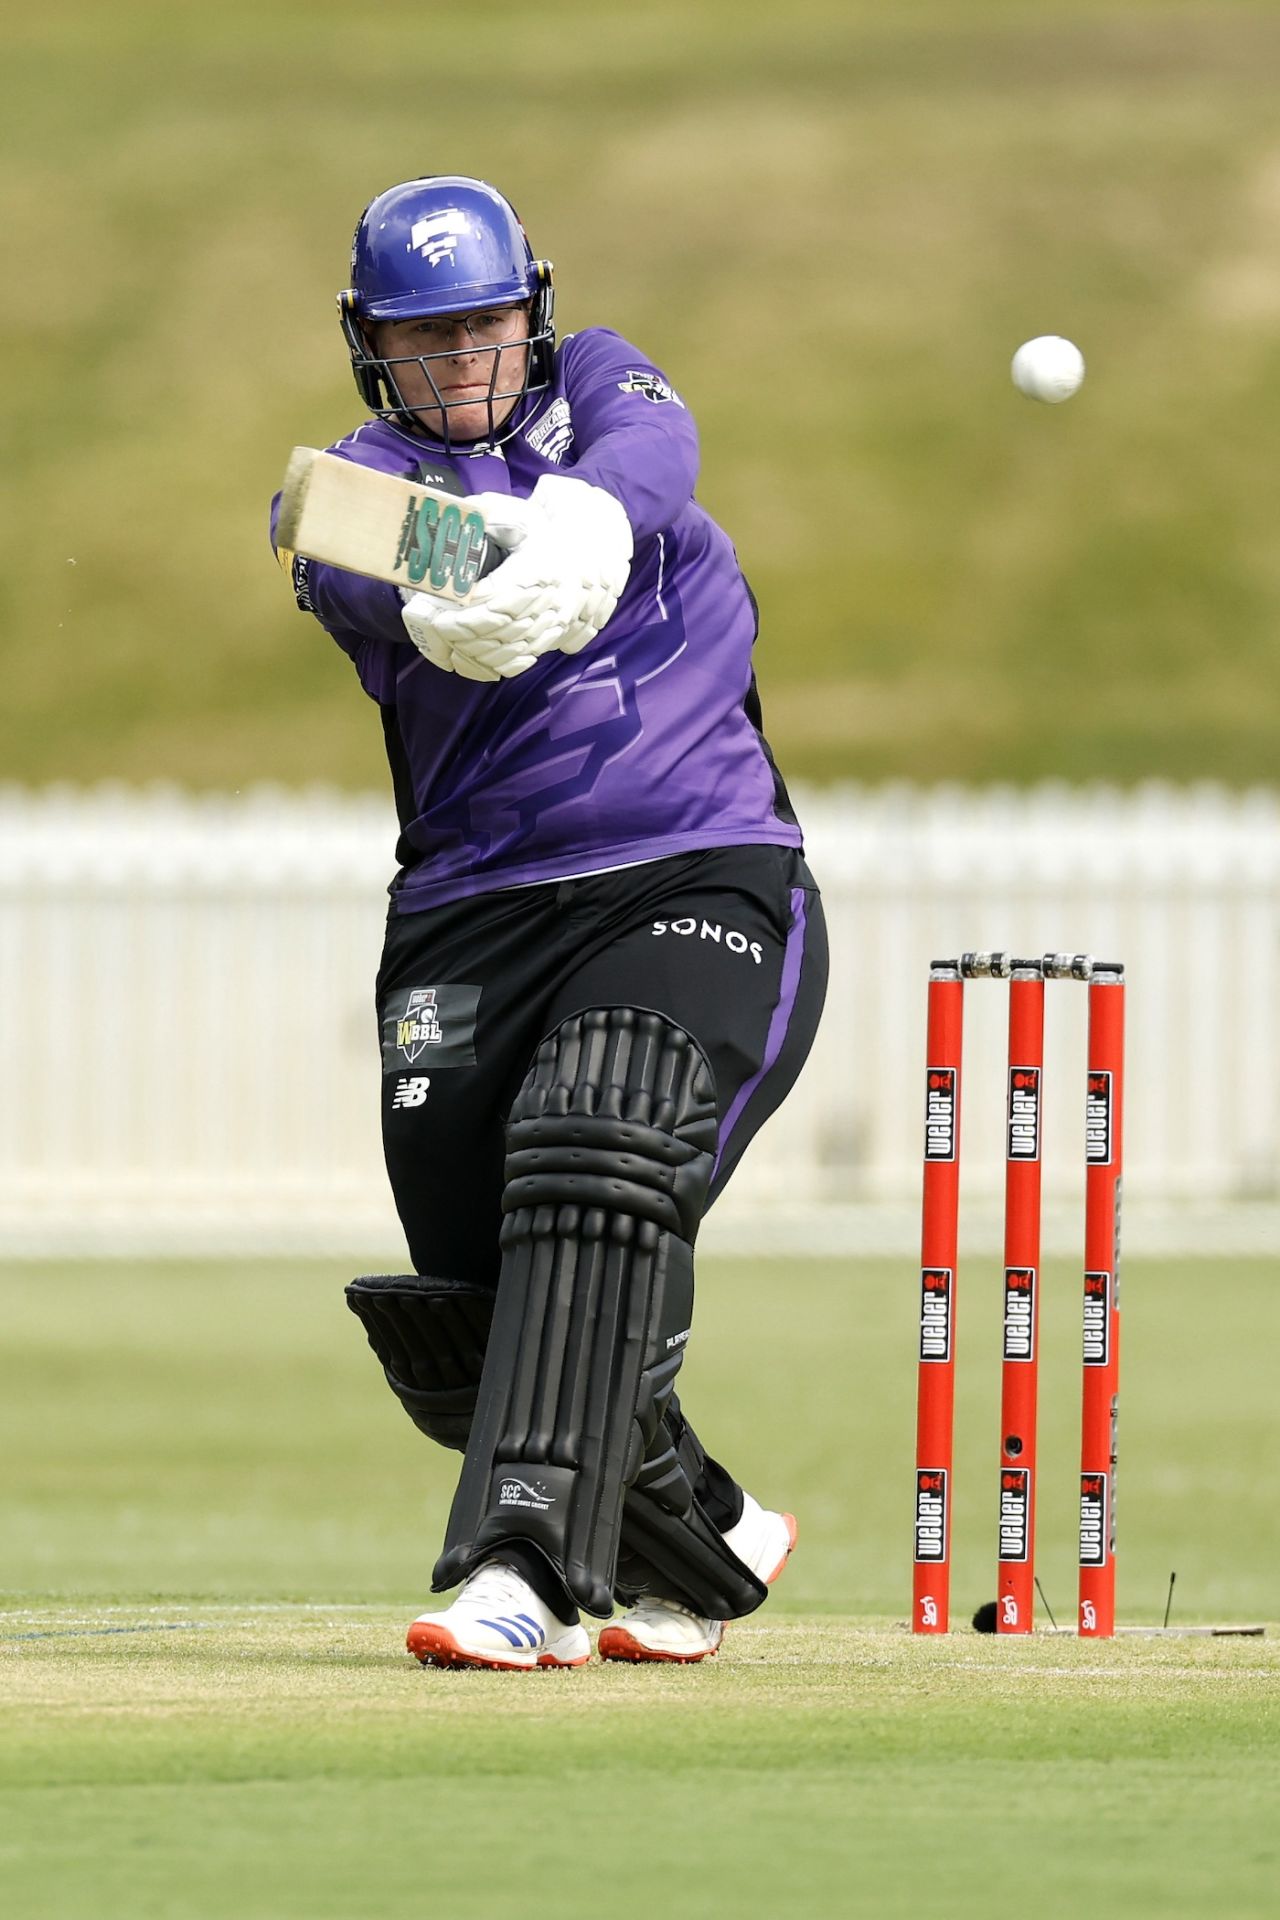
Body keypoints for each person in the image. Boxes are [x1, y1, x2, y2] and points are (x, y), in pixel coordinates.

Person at [270, 175, 828, 1670]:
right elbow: (368, 558)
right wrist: (457, 579)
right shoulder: (347, 496)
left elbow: (656, 439)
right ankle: (702, 1536)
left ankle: (519, 1566)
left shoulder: (607, 393)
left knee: (597, 1136)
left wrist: (580, 520)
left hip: (692, 869)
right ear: (371, 349)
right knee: (468, 1314)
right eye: (425, 342)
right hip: (470, 911)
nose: (464, 368)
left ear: (537, 316)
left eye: (489, 331)